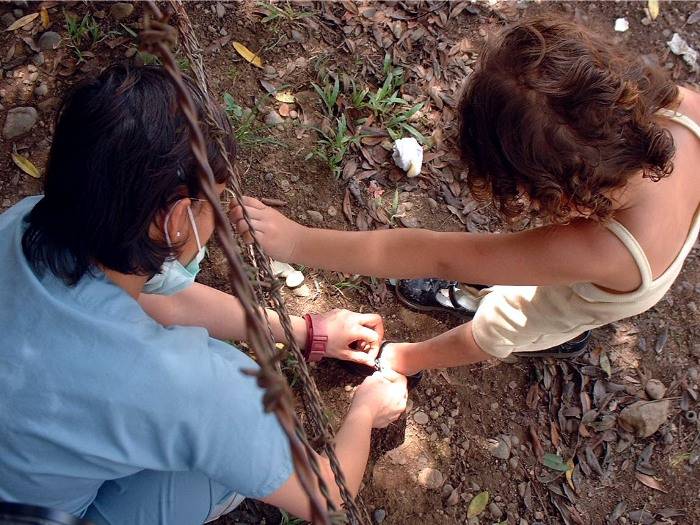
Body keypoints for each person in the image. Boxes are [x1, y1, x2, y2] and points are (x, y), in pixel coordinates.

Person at [0, 64, 408, 524]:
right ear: (176, 219)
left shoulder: (25, 222)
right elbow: (327, 498)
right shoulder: (192, 389)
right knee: (225, 450)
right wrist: (364, 411)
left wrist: (307, 331)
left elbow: (166, 301)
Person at [231, 15, 700, 376]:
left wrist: (296, 243)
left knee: (502, 324)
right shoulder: (679, 109)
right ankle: (560, 332)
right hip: (651, 250)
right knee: (519, 278)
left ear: (565, 199)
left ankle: (406, 360)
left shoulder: (598, 247)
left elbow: (437, 256)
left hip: (606, 280)